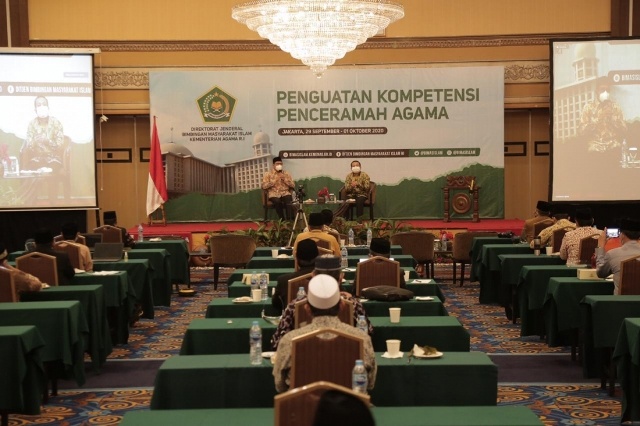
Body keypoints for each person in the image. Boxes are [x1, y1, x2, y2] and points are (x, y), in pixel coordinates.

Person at [272, 273, 376, 393]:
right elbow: (370, 383)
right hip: (350, 404)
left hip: (302, 405)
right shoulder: (361, 339)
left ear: (307, 308)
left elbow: (279, 385)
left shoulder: (290, 340)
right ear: (342, 306)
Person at [271, 255, 373, 350]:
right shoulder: (354, 305)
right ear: (341, 277)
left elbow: (278, 343)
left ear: (313, 276)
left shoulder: (295, 305)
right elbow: (367, 336)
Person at [20, 96, 67, 201]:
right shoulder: (32, 124)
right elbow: (29, 146)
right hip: (37, 158)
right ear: (35, 109)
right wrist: (34, 141)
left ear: (48, 107)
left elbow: (60, 145)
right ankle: (30, 203)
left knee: (53, 174)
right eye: (39, 105)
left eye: (44, 104)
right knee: (30, 170)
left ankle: (53, 203)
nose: (42, 106)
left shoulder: (56, 123)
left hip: (53, 159)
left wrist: (47, 141)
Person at [596, 218, 640, 295]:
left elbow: (600, 273)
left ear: (622, 235)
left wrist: (600, 247)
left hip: (620, 301)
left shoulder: (612, 254)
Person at [272, 238, 318, 311]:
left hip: (291, 317)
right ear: (318, 257)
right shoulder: (329, 280)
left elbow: (276, 304)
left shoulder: (284, 280)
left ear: (296, 257)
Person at [579, 84, 627, 154]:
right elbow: (581, 131)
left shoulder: (615, 107)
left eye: (607, 90)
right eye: (602, 90)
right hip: (595, 148)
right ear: (596, 91)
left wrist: (613, 120)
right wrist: (599, 119)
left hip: (613, 147)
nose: (605, 92)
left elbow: (624, 129)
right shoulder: (588, 108)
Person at [262, 156, 295, 221]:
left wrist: (285, 180)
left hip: (285, 193)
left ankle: (290, 220)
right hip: (274, 194)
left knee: (289, 199)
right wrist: (273, 182)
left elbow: (293, 185)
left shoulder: (286, 173)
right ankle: (282, 220)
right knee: (277, 202)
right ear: (273, 165)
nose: (279, 165)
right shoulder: (268, 174)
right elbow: (264, 186)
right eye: (277, 164)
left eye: (280, 164)